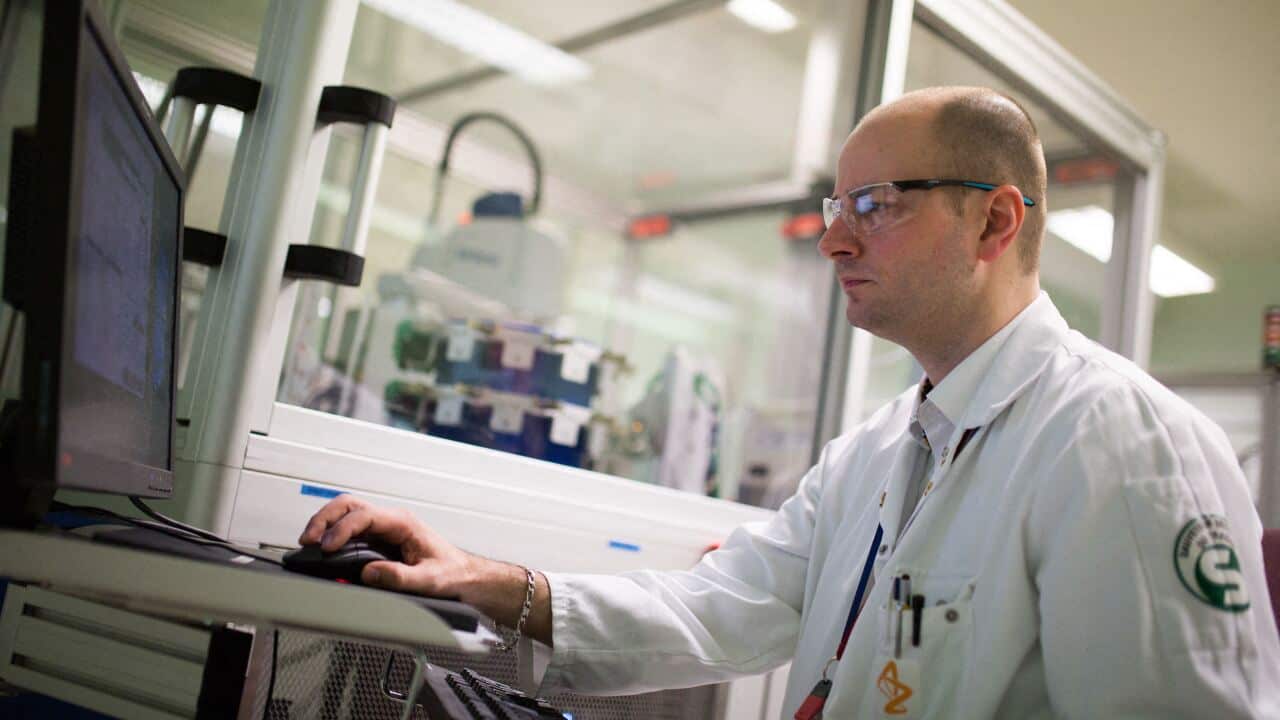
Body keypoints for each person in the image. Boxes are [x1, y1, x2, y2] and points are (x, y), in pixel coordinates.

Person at [298, 86, 1280, 718]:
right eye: (833, 209)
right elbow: (728, 605)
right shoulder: (881, 449)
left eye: (874, 207)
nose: (834, 243)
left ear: (992, 220)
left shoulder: (1117, 442)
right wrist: (484, 580)